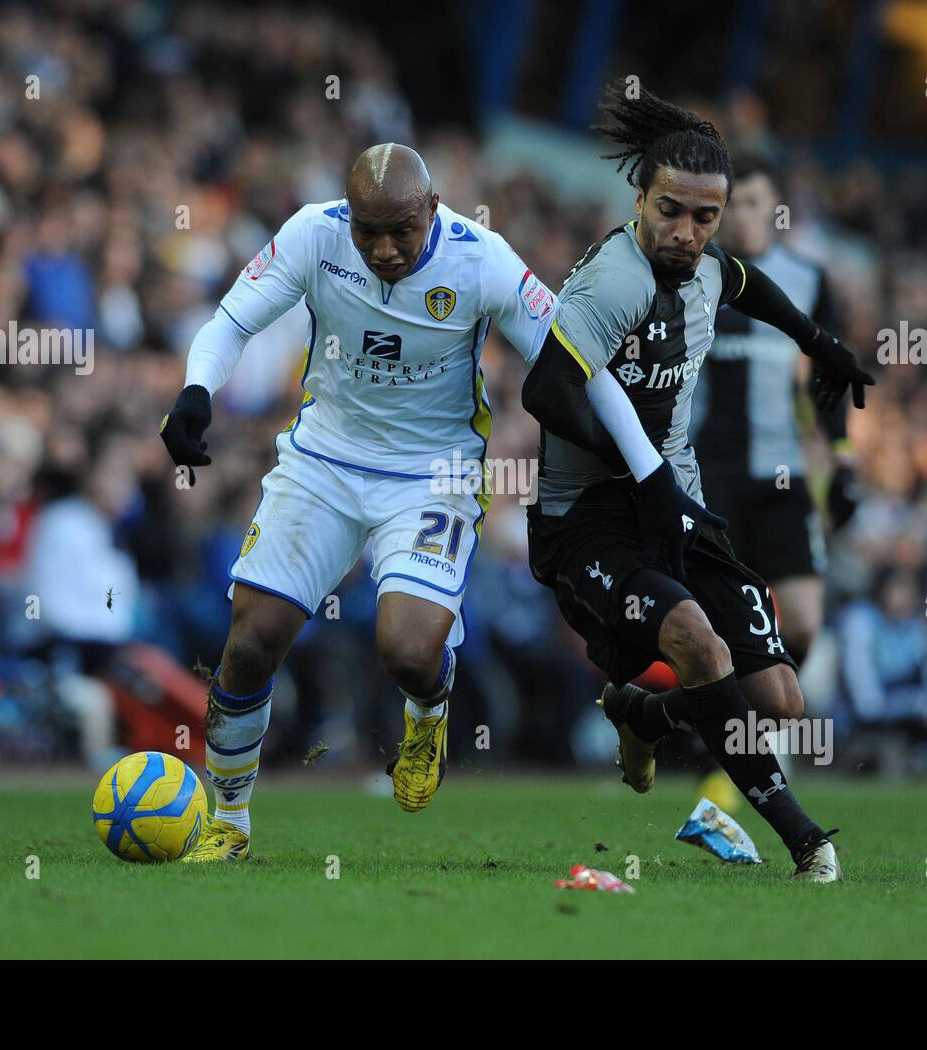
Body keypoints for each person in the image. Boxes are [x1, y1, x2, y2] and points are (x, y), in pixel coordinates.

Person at [158, 143, 647, 861]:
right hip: (323, 460)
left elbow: (576, 359)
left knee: (410, 651)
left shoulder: (482, 260)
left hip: (433, 473)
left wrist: (650, 472)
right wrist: (197, 389)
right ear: (347, 217)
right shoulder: (313, 234)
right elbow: (230, 322)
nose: (384, 249)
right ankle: (228, 823)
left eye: (402, 232)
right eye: (369, 232)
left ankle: (428, 711)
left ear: (433, 211)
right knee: (252, 637)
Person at [521, 85, 874, 880]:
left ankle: (647, 714)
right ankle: (803, 836)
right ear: (639, 197)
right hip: (591, 515)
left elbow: (748, 283)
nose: (686, 233)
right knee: (692, 638)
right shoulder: (612, 282)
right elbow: (544, 391)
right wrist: (630, 465)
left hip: (676, 498)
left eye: (704, 218)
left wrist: (823, 344)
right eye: (671, 212)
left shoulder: (709, 265)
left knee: (782, 699)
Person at [693, 150, 857, 663]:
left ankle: (763, 721)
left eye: (753, 203)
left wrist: (842, 456)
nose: (742, 215)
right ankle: (730, 731)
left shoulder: (808, 279)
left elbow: (828, 377)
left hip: (783, 469)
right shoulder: (695, 277)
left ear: (775, 207)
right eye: (731, 205)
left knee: (805, 625)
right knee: (722, 627)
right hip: (713, 471)